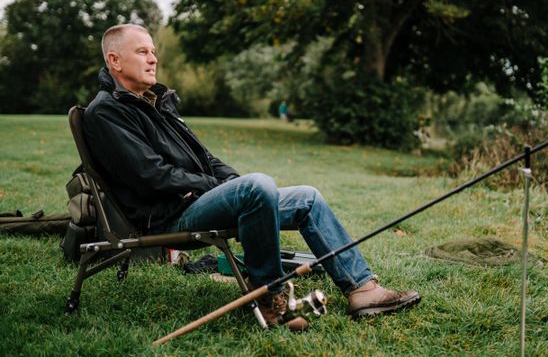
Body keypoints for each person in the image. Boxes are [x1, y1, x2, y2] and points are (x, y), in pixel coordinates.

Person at [83, 24, 420, 331]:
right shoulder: (108, 111)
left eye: (153, 51)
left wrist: (232, 182)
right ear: (114, 60)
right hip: (168, 217)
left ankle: (362, 289)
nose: (153, 58)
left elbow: (206, 159)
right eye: (142, 52)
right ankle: (269, 299)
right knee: (256, 186)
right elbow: (152, 176)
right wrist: (225, 188)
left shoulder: (154, 102)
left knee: (307, 196)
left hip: (196, 201)